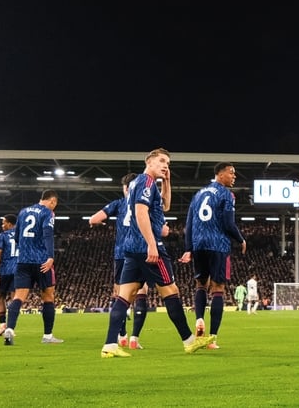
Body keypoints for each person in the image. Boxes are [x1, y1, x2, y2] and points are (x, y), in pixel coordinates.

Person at [100, 147, 213, 358]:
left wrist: (167, 182)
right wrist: (152, 244)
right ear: (149, 162)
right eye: (161, 161)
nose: (165, 166)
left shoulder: (140, 183)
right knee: (170, 291)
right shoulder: (146, 182)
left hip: (131, 248)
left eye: (168, 163)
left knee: (125, 295)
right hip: (148, 248)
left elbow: (165, 206)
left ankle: (110, 344)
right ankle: (189, 341)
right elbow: (141, 212)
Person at [181, 162, 247, 350]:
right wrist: (240, 239)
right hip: (218, 244)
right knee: (218, 289)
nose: (234, 176)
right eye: (231, 173)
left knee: (200, 285)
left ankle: (199, 319)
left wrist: (188, 248)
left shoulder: (198, 194)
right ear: (220, 174)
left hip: (198, 245)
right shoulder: (227, 194)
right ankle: (213, 338)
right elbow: (228, 223)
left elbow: (189, 224)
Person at [89, 172, 153, 350]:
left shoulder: (118, 204)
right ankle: (135, 338)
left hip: (121, 253)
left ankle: (121, 335)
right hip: (139, 251)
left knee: (120, 295)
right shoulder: (144, 203)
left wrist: (98, 223)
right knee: (142, 293)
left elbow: (94, 219)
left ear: (125, 188)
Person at [3, 190, 62, 345]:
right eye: (54, 204)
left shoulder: (23, 212)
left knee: (18, 297)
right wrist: (50, 256)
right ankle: (47, 336)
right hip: (42, 261)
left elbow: (16, 236)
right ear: (52, 201)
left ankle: (10, 329)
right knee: (48, 296)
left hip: (23, 261)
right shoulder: (47, 213)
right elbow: (48, 234)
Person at [0, 214, 17, 336]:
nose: (2, 225)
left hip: (6, 270)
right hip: (19, 270)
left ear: (10, 224)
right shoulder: (21, 235)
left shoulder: (2, 236)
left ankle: (2, 325)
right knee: (15, 298)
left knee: (1, 296)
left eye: (4, 223)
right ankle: (11, 327)